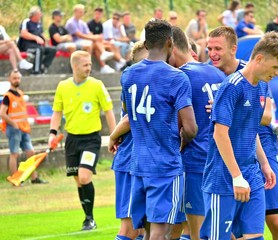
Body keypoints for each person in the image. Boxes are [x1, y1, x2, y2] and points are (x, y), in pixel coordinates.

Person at [201, 31, 278, 239]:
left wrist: (264, 164)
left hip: (251, 173)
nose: (277, 74)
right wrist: (236, 176)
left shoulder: (261, 86)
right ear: (259, 58)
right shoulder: (231, 87)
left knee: (254, 236)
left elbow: (252, 130)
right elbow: (220, 134)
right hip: (223, 177)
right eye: (276, 67)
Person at [115, 19, 198, 239]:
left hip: (138, 164)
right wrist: (182, 142)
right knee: (161, 231)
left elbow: (128, 114)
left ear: (147, 43)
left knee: (145, 230)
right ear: (170, 43)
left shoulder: (128, 75)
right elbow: (190, 128)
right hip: (165, 166)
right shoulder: (176, 77)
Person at [48, 50, 116, 230]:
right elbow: (57, 112)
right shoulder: (63, 86)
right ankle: (88, 218)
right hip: (72, 139)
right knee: (78, 181)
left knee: (85, 176)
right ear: (75, 66)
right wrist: (52, 134)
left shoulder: (97, 85)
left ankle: (90, 218)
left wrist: (114, 136)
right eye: (86, 65)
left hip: (91, 139)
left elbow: (109, 111)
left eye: (90, 65)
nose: (89, 68)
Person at [169, 26, 225, 240]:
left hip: (195, 164)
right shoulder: (215, 72)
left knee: (198, 234)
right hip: (219, 160)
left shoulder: (180, 78)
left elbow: (181, 127)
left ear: (171, 48)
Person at [108, 41, 148, 240]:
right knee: (131, 226)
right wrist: (113, 136)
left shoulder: (138, 80)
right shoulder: (136, 80)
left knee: (141, 227)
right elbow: (130, 118)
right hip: (130, 159)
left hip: (137, 159)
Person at [0, 70, 47, 184]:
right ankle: (15, 178)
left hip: (23, 128)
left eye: (18, 78)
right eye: (14, 78)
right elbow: (2, 113)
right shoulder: (8, 96)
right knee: (14, 153)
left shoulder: (20, 94)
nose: (17, 80)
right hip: (14, 128)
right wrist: (13, 123)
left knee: (30, 152)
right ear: (10, 80)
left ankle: (34, 177)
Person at [65, 4, 115, 74]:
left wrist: (95, 37)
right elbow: (80, 35)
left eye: (82, 12)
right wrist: (94, 38)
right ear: (75, 12)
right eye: (80, 12)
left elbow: (88, 33)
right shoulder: (71, 22)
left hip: (83, 41)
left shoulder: (82, 23)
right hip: (75, 41)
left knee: (97, 43)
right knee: (91, 43)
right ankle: (96, 61)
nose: (82, 13)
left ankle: (103, 65)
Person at [17, 6, 56, 74]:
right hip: (26, 46)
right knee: (39, 50)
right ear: (34, 15)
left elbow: (42, 34)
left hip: (37, 45)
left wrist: (45, 41)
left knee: (52, 50)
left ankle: (43, 66)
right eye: (40, 14)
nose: (41, 15)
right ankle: (36, 71)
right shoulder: (27, 22)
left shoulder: (39, 24)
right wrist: (36, 38)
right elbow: (23, 33)